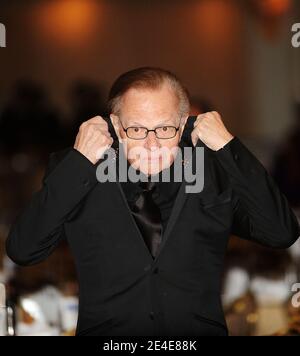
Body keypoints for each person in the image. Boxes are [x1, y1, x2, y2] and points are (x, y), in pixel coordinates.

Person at [6, 67, 300, 336]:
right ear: (117, 127)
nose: (151, 143)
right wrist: (79, 161)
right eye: (136, 129)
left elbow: (280, 231)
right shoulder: (79, 170)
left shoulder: (212, 171)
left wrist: (229, 146)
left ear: (184, 124)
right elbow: (23, 249)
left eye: (164, 129)